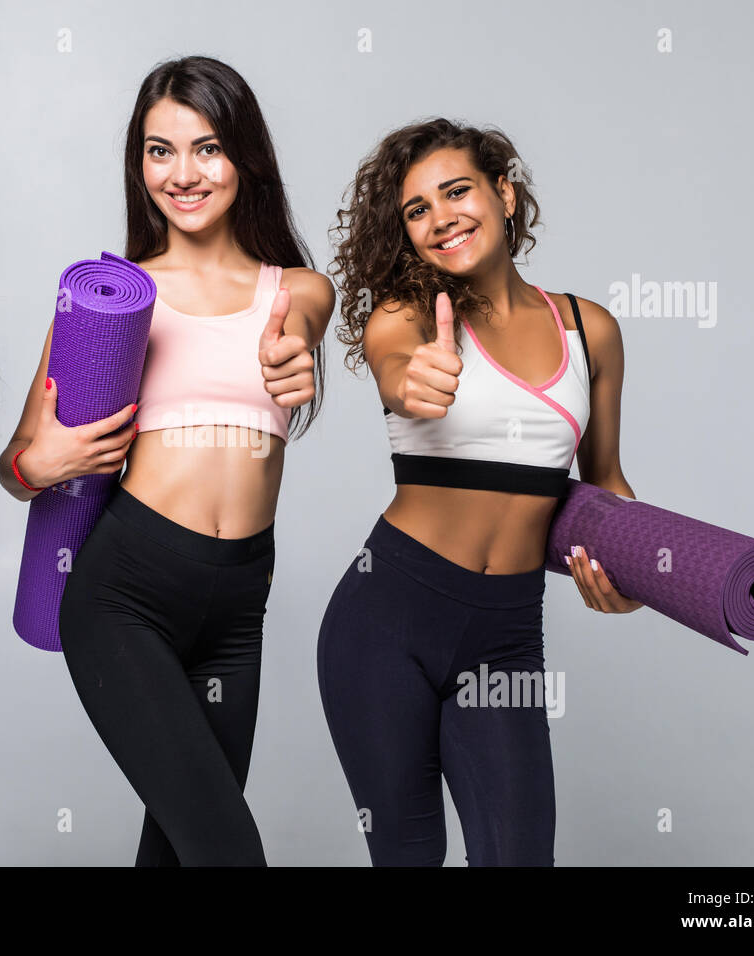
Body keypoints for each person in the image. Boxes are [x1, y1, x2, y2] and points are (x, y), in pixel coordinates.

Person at [0, 56, 334, 865]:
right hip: (124, 594)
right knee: (226, 851)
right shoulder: (107, 300)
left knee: (179, 852)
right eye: (159, 151)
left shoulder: (293, 291)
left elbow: (301, 335)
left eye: (207, 148)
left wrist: (296, 358)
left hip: (238, 608)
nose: (182, 174)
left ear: (245, 157)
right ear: (138, 164)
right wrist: (37, 464)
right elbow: (17, 464)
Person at [317, 118, 642, 867]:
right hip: (384, 621)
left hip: (506, 637)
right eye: (416, 209)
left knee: (518, 854)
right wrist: (417, 382)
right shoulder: (406, 319)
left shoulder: (592, 331)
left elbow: (607, 485)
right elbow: (401, 373)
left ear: (504, 192)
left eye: (457, 191)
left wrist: (637, 577)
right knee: (409, 855)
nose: (441, 218)